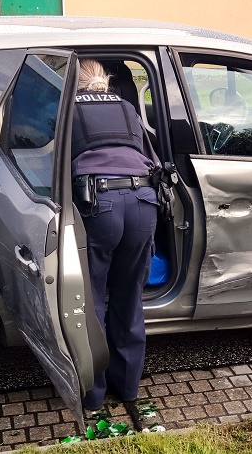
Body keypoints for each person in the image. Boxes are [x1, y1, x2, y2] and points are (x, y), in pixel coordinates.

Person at [70, 59, 160, 430]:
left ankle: (93, 395)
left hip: (99, 205)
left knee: (92, 300)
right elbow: (152, 159)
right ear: (106, 81)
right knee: (128, 297)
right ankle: (128, 388)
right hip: (143, 202)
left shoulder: (68, 111)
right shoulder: (127, 109)